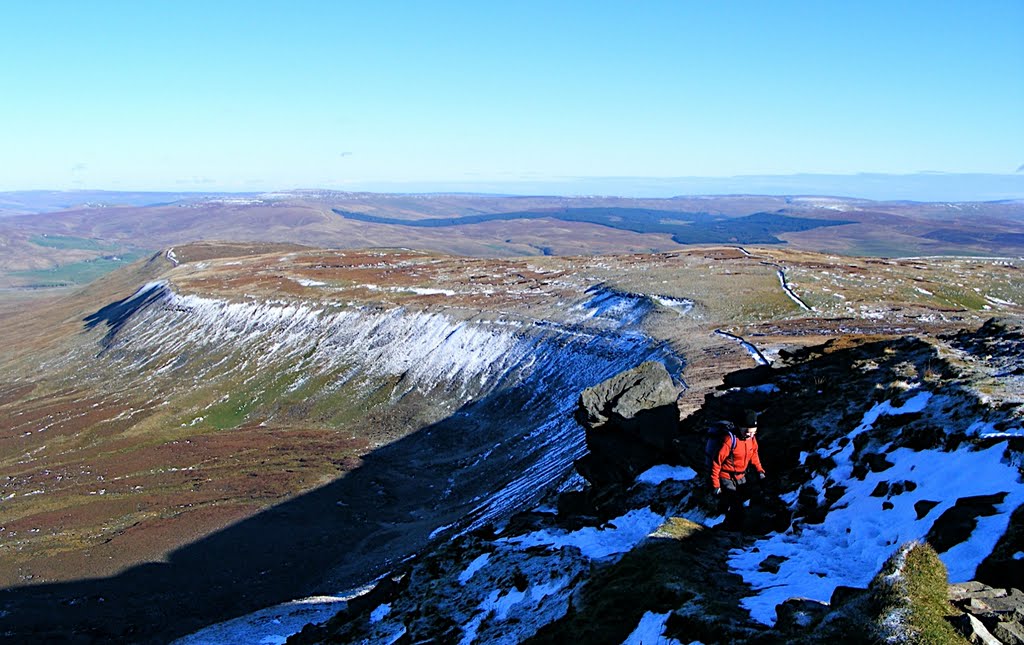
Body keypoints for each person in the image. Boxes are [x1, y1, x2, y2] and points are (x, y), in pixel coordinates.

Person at [710, 410, 766, 531]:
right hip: (726, 477)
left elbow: (754, 454)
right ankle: (731, 532)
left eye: (753, 432)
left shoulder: (751, 439)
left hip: (741, 476)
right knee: (736, 506)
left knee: (747, 500)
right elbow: (716, 463)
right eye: (747, 431)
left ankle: (732, 526)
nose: (750, 435)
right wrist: (715, 485)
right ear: (740, 427)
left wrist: (760, 471)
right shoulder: (729, 440)